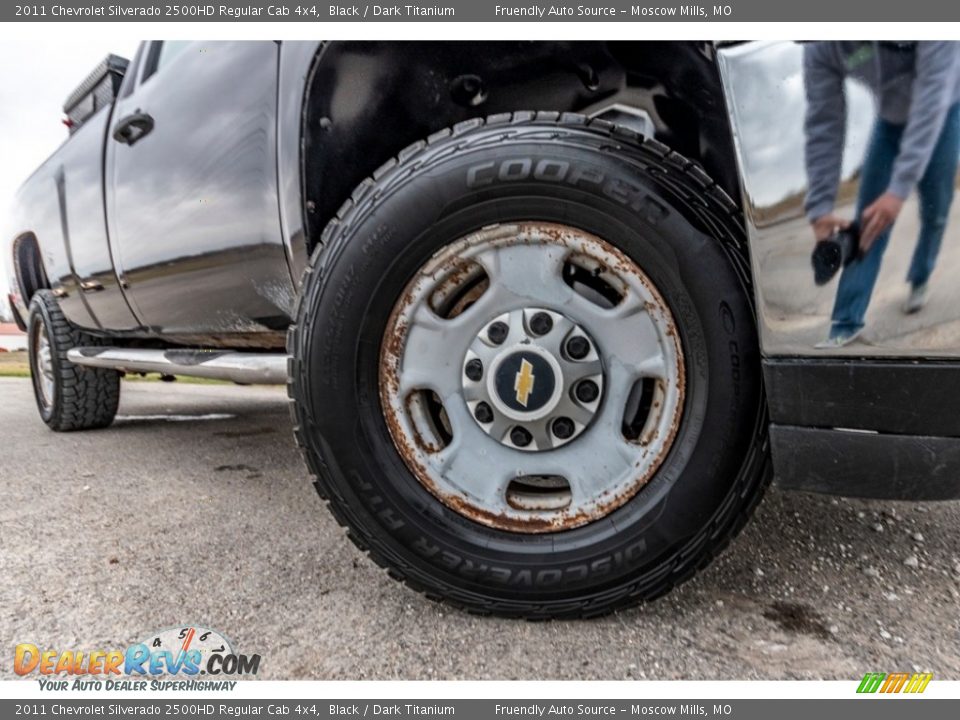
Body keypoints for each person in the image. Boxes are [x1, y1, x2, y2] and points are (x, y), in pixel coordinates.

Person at [804, 41, 960, 348]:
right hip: (889, 121)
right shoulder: (821, 46)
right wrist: (820, 206)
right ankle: (845, 325)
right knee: (869, 221)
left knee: (936, 211)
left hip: (944, 110)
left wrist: (899, 189)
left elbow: (932, 99)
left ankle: (921, 275)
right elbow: (824, 123)